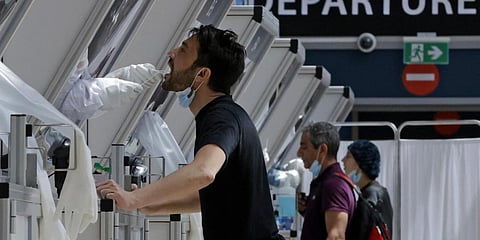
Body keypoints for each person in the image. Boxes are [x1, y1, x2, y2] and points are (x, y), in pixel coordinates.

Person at [96, 24, 283, 240]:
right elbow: (210, 197)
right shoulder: (221, 115)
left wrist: (135, 199)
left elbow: (203, 172)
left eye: (183, 50)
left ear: (202, 74)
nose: (171, 54)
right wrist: (148, 204)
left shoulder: (221, 117)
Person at [296, 122, 356, 240]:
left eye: (304, 147)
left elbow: (337, 236)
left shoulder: (334, 186)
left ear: (322, 150)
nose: (299, 153)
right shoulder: (323, 183)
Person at [341, 140, 394, 240]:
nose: (343, 160)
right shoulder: (382, 192)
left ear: (359, 163)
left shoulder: (367, 199)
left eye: (348, 156)